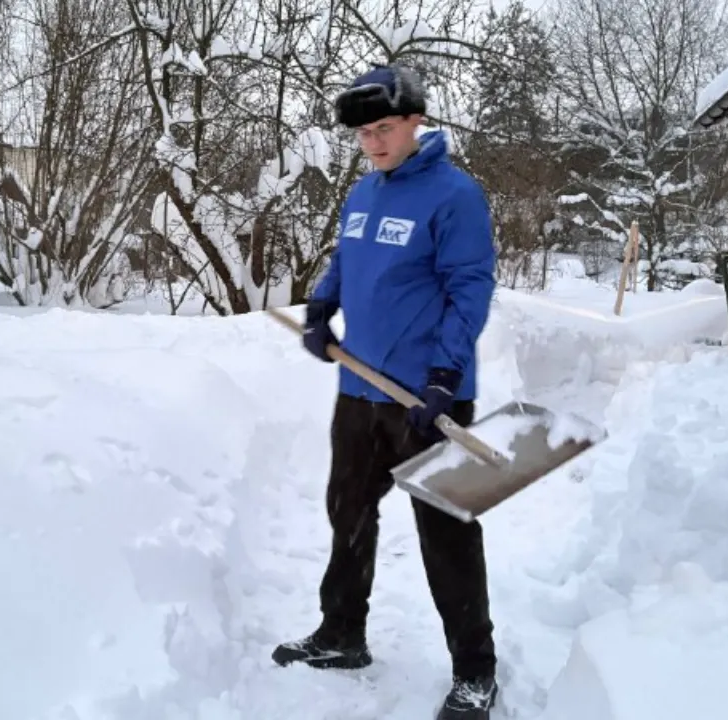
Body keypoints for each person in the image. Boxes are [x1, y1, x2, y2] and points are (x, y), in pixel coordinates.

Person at [270, 63, 500, 720]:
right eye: (364, 134)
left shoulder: (454, 196)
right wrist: (322, 307)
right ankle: (342, 632)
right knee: (347, 511)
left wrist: (444, 375)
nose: (373, 144)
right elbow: (347, 261)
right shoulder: (364, 193)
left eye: (384, 129)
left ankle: (476, 672)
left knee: (446, 532)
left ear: (415, 121)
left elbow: (470, 289)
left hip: (428, 396)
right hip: (360, 388)